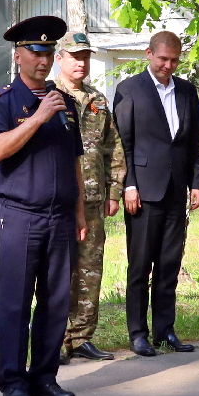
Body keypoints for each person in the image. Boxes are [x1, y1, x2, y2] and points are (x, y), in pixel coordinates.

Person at [0, 14, 87, 396]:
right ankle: (13, 381)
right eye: (35, 52)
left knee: (56, 302)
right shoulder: (1, 101)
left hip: (60, 217)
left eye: (48, 53)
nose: (42, 61)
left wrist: (80, 212)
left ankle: (44, 376)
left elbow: (74, 161)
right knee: (15, 302)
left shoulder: (65, 103)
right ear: (18, 56)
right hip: (21, 214)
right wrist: (38, 118)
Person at [112, 30, 199, 356]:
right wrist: (129, 184)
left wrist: (196, 182)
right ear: (149, 54)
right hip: (143, 190)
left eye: (174, 60)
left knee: (169, 263)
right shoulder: (129, 89)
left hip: (176, 189)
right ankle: (138, 333)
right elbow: (124, 142)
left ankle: (165, 330)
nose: (168, 65)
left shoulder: (186, 91)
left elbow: (192, 142)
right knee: (140, 266)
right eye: (163, 59)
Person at [56, 30, 125, 362]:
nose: (81, 63)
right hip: (59, 200)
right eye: (74, 56)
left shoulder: (97, 100)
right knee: (58, 272)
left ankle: (81, 337)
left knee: (89, 271)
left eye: (85, 57)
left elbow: (113, 148)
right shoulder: (48, 96)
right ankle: (56, 340)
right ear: (59, 59)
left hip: (94, 200)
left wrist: (115, 191)